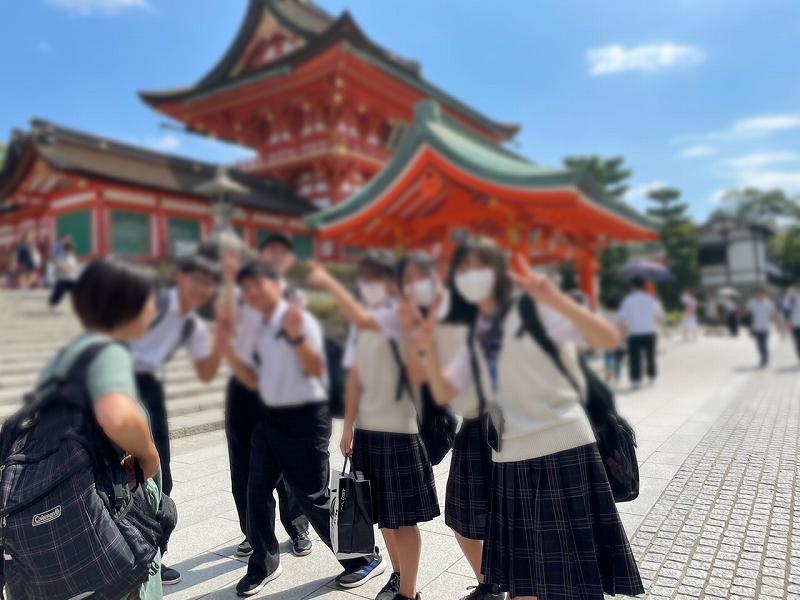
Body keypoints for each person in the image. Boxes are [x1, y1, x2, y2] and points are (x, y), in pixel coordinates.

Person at [416, 237, 643, 600]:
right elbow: (465, 405)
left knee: (573, 581)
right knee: (524, 584)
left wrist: (555, 299)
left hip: (565, 449)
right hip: (512, 459)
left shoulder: (534, 306)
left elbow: (607, 339)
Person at [224, 261, 384, 597]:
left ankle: (364, 558)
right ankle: (264, 562)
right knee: (256, 492)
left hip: (305, 422)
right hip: (267, 421)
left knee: (314, 497)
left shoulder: (301, 318)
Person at [308, 253, 440, 600]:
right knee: (381, 513)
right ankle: (397, 575)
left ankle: (409, 592)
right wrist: (348, 428)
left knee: (403, 519)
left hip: (400, 431)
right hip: (368, 431)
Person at [42, 258, 164, 599]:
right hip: (108, 523)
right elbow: (115, 413)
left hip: (73, 522)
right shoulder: (107, 355)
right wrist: (149, 458)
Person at [399, 252, 505, 600]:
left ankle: (496, 583)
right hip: (480, 429)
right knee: (464, 516)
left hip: (503, 429)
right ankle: (490, 583)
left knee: (493, 518)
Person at [130, 243, 230, 586]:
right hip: (127, 393)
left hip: (151, 396)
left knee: (161, 479)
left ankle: (153, 556)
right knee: (139, 478)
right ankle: (138, 558)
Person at [225, 234, 311, 560]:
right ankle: (253, 532)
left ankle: (298, 528)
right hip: (243, 394)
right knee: (243, 470)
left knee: (286, 468)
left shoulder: (294, 298)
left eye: (280, 255)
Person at [618, 276, 664, 388]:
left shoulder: (628, 300)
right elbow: (659, 317)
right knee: (650, 355)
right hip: (650, 331)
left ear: (632, 286)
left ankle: (636, 380)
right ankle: (652, 376)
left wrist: (622, 334)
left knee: (635, 357)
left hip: (634, 332)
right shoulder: (652, 299)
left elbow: (623, 319)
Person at [746, 287, 776, 368]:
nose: (759, 295)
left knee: (764, 344)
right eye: (757, 293)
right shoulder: (751, 303)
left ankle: (765, 359)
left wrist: (776, 323)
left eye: (761, 293)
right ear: (755, 294)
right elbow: (749, 315)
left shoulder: (768, 303)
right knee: (759, 345)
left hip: (766, 327)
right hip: (756, 327)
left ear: (764, 294)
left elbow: (772, 315)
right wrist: (750, 327)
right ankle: (763, 357)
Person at [48, 239, 80, 308]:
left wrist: (69, 269)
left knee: (77, 293)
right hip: (63, 280)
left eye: (72, 249)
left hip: (72, 280)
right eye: (68, 249)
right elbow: (59, 267)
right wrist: (65, 269)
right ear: (65, 250)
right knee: (58, 294)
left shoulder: (73, 258)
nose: (70, 251)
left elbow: (74, 269)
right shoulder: (61, 258)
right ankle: (53, 304)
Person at [781, 282, 800, 363]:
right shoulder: (791, 297)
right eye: (797, 287)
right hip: (794, 323)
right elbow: (785, 309)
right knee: (797, 342)